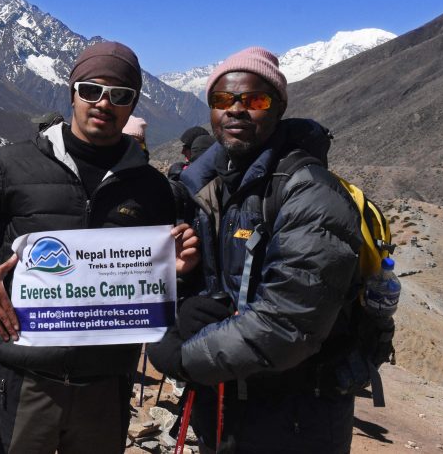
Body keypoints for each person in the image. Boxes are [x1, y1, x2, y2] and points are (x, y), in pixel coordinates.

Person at [0, 41, 197, 454]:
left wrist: (179, 270)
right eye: (91, 90)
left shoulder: (154, 190)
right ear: (72, 91)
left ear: (133, 104)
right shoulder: (11, 166)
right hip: (23, 378)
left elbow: (166, 275)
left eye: (120, 95)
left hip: (105, 386)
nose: (103, 104)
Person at [148, 47, 362, 453]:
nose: (236, 110)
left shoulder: (310, 194)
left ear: (278, 108)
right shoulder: (214, 189)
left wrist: (183, 358)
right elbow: (228, 286)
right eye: (222, 100)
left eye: (255, 100)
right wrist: (185, 287)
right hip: (226, 403)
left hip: (295, 418)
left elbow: (287, 321)